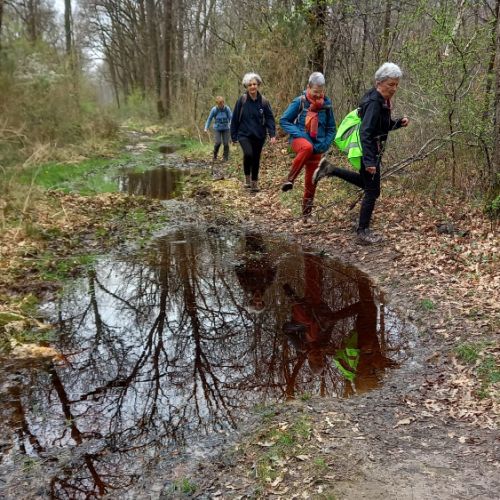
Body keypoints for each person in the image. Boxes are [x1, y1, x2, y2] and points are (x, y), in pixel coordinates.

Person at [312, 62, 409, 245]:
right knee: (372, 191)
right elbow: (366, 132)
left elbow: (381, 126)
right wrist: (370, 161)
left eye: (396, 84)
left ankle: (331, 169)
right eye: (391, 84)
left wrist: (398, 123)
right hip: (369, 150)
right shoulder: (374, 103)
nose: (394, 88)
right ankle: (362, 231)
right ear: (379, 82)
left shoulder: (380, 100)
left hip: (371, 150)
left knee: (369, 186)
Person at [279, 72, 336, 222]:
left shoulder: (327, 106)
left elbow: (332, 128)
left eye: (320, 92)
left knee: (312, 183)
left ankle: (306, 215)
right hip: (300, 141)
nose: (318, 95)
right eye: (315, 91)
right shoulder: (300, 101)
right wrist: (300, 135)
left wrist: (325, 144)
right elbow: (284, 121)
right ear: (308, 87)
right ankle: (290, 180)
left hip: (318, 145)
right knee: (307, 147)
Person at [230, 73, 276, 192]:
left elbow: (269, 118)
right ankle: (247, 177)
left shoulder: (264, 101)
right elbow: (235, 118)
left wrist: (272, 134)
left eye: (254, 84)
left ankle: (254, 182)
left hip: (259, 135)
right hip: (244, 134)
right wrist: (233, 135)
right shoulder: (242, 100)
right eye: (250, 85)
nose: (252, 87)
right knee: (248, 154)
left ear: (258, 85)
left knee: (256, 158)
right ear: (246, 86)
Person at [235, 231, 277, 313]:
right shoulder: (267, 285)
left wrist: (241, 259)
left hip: (250, 258)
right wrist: (270, 260)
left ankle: (248, 226)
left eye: (255, 304)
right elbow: (274, 270)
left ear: (252, 301)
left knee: (249, 237)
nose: (257, 302)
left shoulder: (246, 286)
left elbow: (238, 270)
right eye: (260, 304)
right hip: (263, 258)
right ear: (262, 301)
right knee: (259, 237)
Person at [204, 96, 232, 161]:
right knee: (218, 142)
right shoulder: (214, 110)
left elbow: (231, 117)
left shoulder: (227, 109)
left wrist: (231, 124)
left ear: (223, 102)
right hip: (217, 128)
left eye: (222, 103)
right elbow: (209, 119)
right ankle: (215, 155)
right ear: (217, 104)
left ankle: (225, 157)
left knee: (226, 143)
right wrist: (206, 128)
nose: (221, 105)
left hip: (226, 128)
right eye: (219, 104)